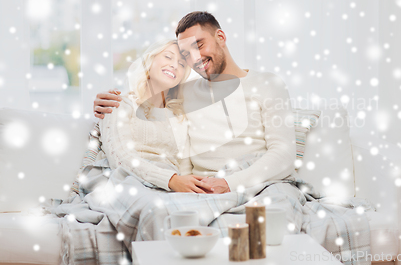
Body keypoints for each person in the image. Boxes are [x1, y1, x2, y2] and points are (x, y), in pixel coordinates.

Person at [94, 11, 296, 194]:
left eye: (199, 45)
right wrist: (107, 99)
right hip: (203, 188)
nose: (195, 58)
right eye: (186, 55)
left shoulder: (268, 84)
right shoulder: (183, 92)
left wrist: (229, 184)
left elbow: (284, 154)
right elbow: (149, 93)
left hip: (257, 183)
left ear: (221, 37)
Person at [99, 38, 212, 193]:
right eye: (168, 56)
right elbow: (120, 158)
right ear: (149, 61)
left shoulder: (179, 117)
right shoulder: (120, 104)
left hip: (170, 188)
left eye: (181, 64)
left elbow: (184, 166)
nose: (174, 65)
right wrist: (170, 180)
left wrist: (186, 186)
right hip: (128, 183)